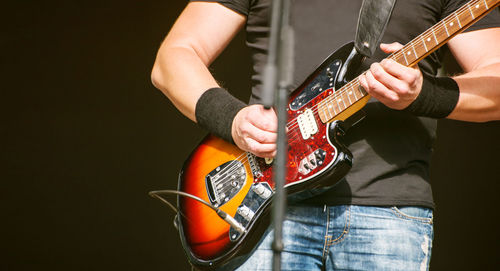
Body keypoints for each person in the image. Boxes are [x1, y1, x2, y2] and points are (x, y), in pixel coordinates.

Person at [151, 0, 500, 270]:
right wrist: (233, 119)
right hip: (263, 208)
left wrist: (423, 94)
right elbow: (174, 56)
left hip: (388, 215)